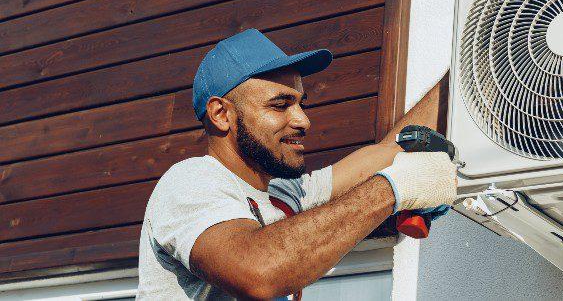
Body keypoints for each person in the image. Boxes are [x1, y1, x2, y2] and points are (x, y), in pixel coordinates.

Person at [136, 29, 457, 300]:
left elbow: (393, 149)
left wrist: (470, 67)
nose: (303, 120)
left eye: (302, 104)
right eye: (280, 105)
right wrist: (393, 189)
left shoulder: (285, 196)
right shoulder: (191, 181)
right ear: (221, 114)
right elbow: (258, 270)